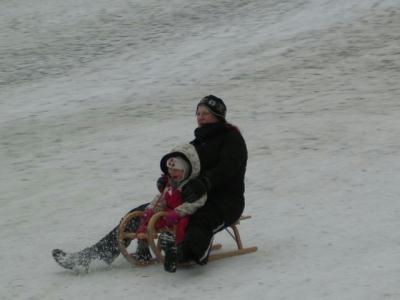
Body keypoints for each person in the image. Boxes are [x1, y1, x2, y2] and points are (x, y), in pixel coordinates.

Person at [52, 95, 247, 271]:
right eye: (198, 113)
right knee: (139, 213)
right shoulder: (197, 142)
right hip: (190, 197)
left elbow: (226, 170)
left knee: (200, 222)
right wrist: (169, 178)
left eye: (205, 113)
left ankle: (183, 254)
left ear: (218, 115)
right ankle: (95, 254)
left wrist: (204, 182)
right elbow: (185, 166)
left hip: (224, 202)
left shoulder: (232, 139)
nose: (200, 117)